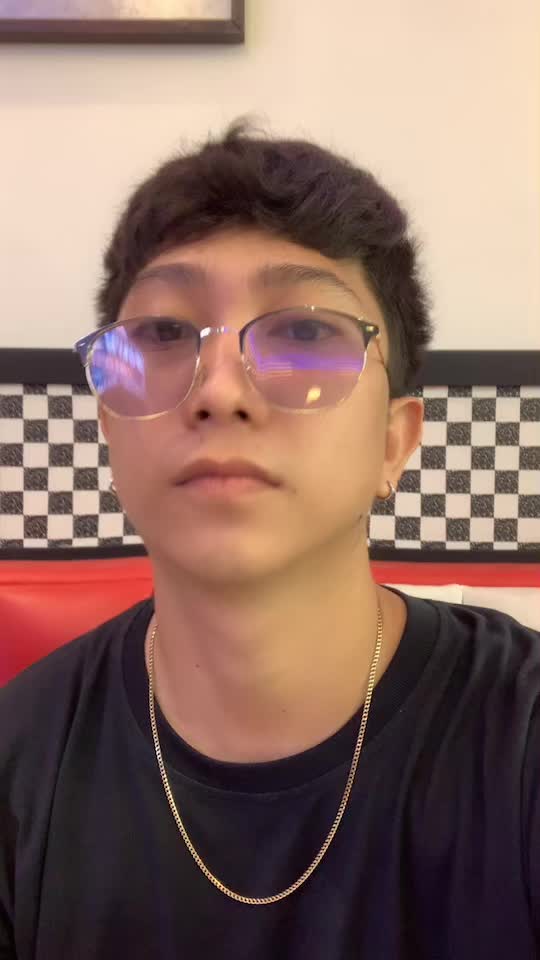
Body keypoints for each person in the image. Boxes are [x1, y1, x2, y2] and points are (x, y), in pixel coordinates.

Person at [1, 121, 538, 960]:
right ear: (109, 424)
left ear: (394, 443)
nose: (220, 391)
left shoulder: (519, 744)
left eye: (306, 332)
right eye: (165, 333)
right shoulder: (20, 763)